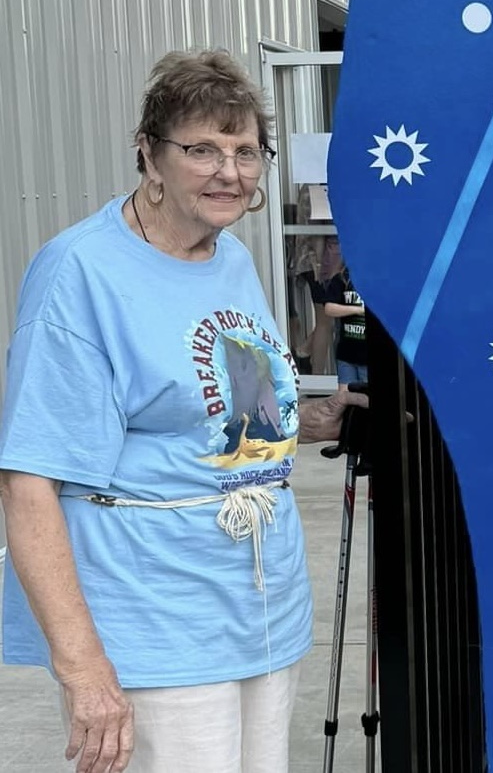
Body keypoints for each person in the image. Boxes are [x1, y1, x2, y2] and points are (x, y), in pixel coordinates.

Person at [0, 49, 368, 773]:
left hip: (259, 606)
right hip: (153, 614)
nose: (229, 172)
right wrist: (84, 669)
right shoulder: (80, 273)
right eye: (201, 149)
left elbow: (238, 418)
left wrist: (318, 421)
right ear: (149, 154)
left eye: (244, 151)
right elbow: (28, 480)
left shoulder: (226, 257)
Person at [322, 259, 369, 390]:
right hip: (347, 352)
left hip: (370, 354)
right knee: (344, 398)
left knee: (368, 401)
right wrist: (357, 310)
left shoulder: (378, 280)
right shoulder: (342, 279)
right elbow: (329, 308)